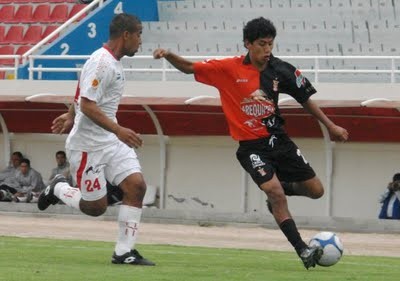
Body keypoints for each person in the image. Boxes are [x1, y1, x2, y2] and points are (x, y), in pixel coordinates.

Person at [153, 17, 349, 269]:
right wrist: (169, 54)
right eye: (261, 44)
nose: (267, 50)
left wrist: (330, 125)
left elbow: (305, 98)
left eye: (270, 44)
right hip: (251, 148)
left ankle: (281, 190)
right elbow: (190, 68)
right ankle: (302, 249)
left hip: (280, 142)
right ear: (247, 44)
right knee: (275, 193)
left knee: (315, 190)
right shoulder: (227, 69)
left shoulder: (280, 70)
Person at [37, 13, 155, 266]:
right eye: (139, 34)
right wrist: (118, 130)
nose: (141, 41)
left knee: (137, 187)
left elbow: (83, 93)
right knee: (95, 208)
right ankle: (58, 187)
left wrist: (70, 114)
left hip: (110, 142)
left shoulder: (111, 62)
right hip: (88, 146)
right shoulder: (102, 62)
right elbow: (89, 105)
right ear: (126, 35)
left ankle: (124, 252)